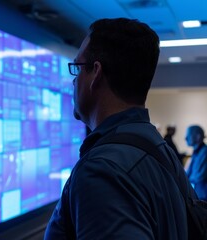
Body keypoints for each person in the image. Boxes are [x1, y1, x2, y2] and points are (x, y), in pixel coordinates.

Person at [44, 18, 196, 240]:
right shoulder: (158, 148)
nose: (74, 82)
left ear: (95, 73)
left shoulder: (102, 170)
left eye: (77, 69)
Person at [185, 125, 207, 200]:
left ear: (198, 136)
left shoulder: (205, 153)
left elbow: (198, 177)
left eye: (189, 134)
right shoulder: (196, 152)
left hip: (202, 197)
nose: (185, 138)